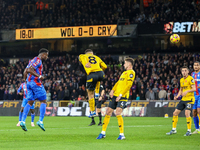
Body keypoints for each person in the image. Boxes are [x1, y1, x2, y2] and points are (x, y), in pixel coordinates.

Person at [97, 58, 135, 140]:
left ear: (129, 64)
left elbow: (128, 85)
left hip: (123, 96)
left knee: (118, 112)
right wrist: (112, 90)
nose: (123, 65)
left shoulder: (131, 73)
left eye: (125, 63)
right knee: (108, 112)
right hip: (116, 95)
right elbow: (118, 83)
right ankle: (103, 133)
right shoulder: (124, 73)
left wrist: (120, 95)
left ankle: (122, 134)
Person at [20, 48, 49, 131]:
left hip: (29, 83)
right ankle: (40, 121)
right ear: (43, 54)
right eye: (46, 55)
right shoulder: (38, 60)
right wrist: (39, 76)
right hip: (35, 83)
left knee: (30, 102)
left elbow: (25, 71)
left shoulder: (32, 60)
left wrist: (26, 81)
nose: (47, 57)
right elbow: (29, 70)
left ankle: (23, 121)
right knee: (43, 101)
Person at [166, 66, 196, 136]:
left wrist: (187, 91)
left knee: (187, 113)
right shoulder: (181, 80)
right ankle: (173, 129)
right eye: (183, 71)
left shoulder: (191, 79)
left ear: (188, 71)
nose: (184, 72)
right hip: (183, 99)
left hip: (190, 99)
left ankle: (189, 131)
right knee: (175, 113)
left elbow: (194, 88)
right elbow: (181, 90)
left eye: (185, 70)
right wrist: (177, 96)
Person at [79, 49, 107, 117]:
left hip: (92, 74)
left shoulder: (83, 56)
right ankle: (97, 94)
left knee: (90, 94)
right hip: (101, 73)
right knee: (98, 79)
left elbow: (79, 58)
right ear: (92, 53)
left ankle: (92, 112)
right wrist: (101, 71)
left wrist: (86, 63)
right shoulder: (97, 57)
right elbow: (105, 66)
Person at [191, 61, 200, 134]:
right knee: (194, 112)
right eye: (195, 65)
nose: (196, 66)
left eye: (197, 65)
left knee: (199, 111)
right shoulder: (192, 74)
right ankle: (197, 129)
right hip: (194, 96)